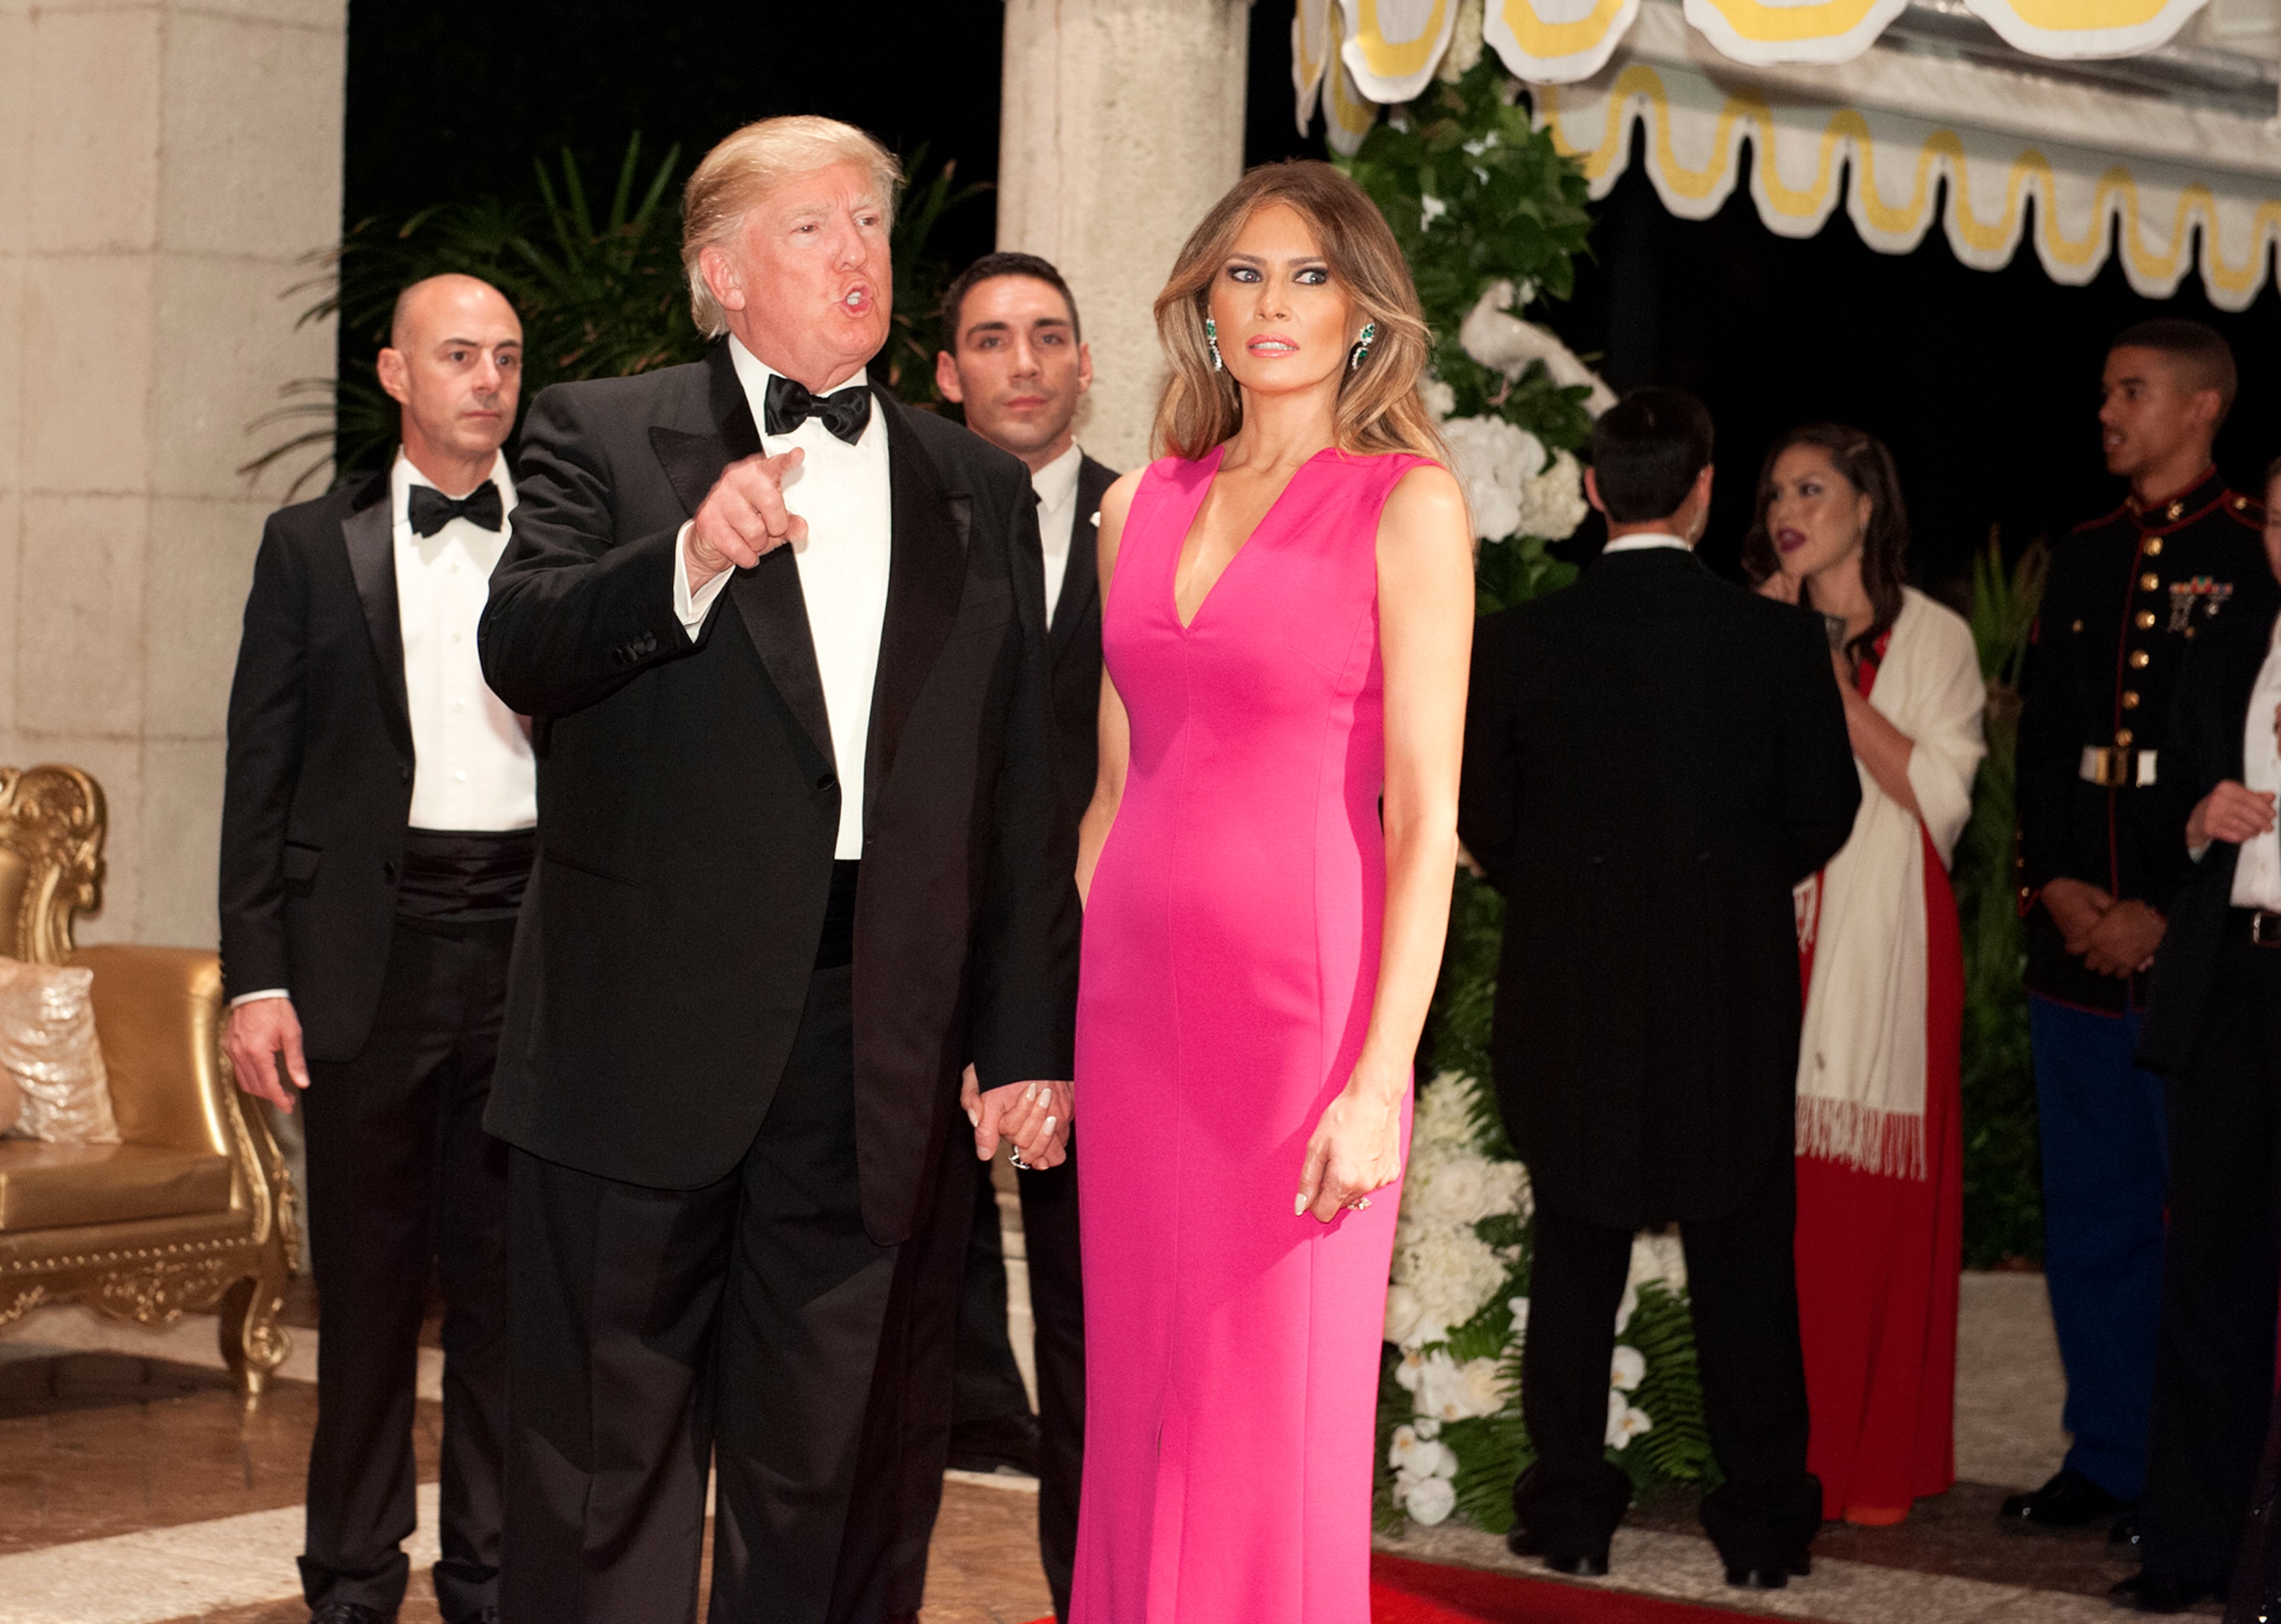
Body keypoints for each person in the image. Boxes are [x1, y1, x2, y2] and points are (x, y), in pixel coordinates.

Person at [475, 116, 1079, 1624]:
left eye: (871, 224)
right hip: (637, 1040)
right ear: (721, 272)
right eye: (814, 228)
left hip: (873, 1037)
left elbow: (1020, 792)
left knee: (825, 1472)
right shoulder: (600, 432)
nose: (860, 253)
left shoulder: (974, 486)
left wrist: (1022, 1038)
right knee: (604, 1473)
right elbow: (519, 637)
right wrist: (681, 557)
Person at [1072, 160, 1473, 1623]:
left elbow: (1428, 820)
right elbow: (1113, 794)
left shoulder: (1407, 503)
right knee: (1136, 1395)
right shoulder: (1140, 503)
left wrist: (1383, 1077)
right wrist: (1058, 1022)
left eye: (1309, 276)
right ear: (1202, 302)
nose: (1273, 304)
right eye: (1243, 274)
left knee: (1272, 1406)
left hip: (1303, 1012)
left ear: (1367, 311)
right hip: (1131, 1012)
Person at [1461, 387, 1861, 1586]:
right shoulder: (1776, 640)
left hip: (1569, 990)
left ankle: (1573, 1512)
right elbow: (1824, 811)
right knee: (1744, 1259)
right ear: (1701, 490)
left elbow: (1484, 818)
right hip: (1725, 992)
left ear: (1593, 491)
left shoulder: (1523, 637)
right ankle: (1764, 1526)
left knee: (1576, 1257)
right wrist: (1722, 889)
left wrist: (1576, 897)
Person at [219, 274, 528, 1624]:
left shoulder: (574, 535)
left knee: (514, 1299)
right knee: (364, 1302)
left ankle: (494, 1576)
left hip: (532, 943)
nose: (488, 380)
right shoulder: (308, 543)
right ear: (397, 373)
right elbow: (260, 771)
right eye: (459, 355)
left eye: (508, 358)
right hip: (365, 957)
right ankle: (349, 1580)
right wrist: (258, 973)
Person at [2009, 318, 2274, 1541]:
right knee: (2096, 1215)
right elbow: (2042, 750)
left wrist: (2166, 915)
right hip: (2077, 951)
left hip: (2195, 959)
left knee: (2204, 1226)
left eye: (2134, 390)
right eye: (2107, 387)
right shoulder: (2084, 554)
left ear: (2203, 406)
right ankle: (2106, 1453)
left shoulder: (2254, 549)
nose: (2108, 409)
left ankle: (2187, 1476)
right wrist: (2058, 890)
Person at [887, 251, 1117, 1624]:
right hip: (908, 976)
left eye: (1050, 336)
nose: (1024, 361)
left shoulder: (1152, 521)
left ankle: (1085, 1598)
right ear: (947, 372)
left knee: (1090, 1331)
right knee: (896, 1331)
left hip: (1100, 974)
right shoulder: (888, 525)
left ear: (1088, 365)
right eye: (993, 338)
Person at [1745, 425, 1986, 1527]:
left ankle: (1867, 1460)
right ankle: (1767, 1454)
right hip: (1771, 931)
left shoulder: (1933, 638)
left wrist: (1832, 682)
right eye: (1776, 490)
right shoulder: (1749, 622)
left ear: (1867, 506)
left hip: (1887, 945)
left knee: (1860, 1215)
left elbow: (1940, 800)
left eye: (1813, 489)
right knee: (1764, 1215)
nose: (1789, 508)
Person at [2116, 454, 2280, 1614]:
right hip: (2237, 978)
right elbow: (2166, 801)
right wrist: (2198, 818)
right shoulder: (2231, 639)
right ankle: (2191, 1545)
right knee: (2212, 1266)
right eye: (2280, 516)